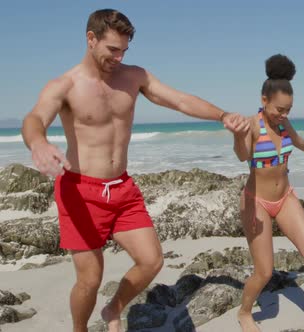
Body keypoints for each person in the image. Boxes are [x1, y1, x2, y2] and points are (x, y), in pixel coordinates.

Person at [20, 9, 249, 332]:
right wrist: (38, 143)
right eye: (113, 49)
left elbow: (180, 101)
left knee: (151, 260)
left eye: (124, 50)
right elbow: (34, 118)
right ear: (90, 39)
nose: (119, 57)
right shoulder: (66, 85)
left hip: (122, 188)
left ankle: (114, 307)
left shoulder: (134, 76)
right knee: (90, 278)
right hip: (80, 192)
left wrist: (222, 115)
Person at [232, 54, 304, 332]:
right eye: (279, 109)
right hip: (255, 201)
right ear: (264, 100)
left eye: (289, 110)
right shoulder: (251, 125)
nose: (283, 115)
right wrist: (237, 135)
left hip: (285, 198)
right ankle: (245, 312)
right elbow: (242, 155)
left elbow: (296, 141)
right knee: (264, 271)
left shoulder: (284, 124)